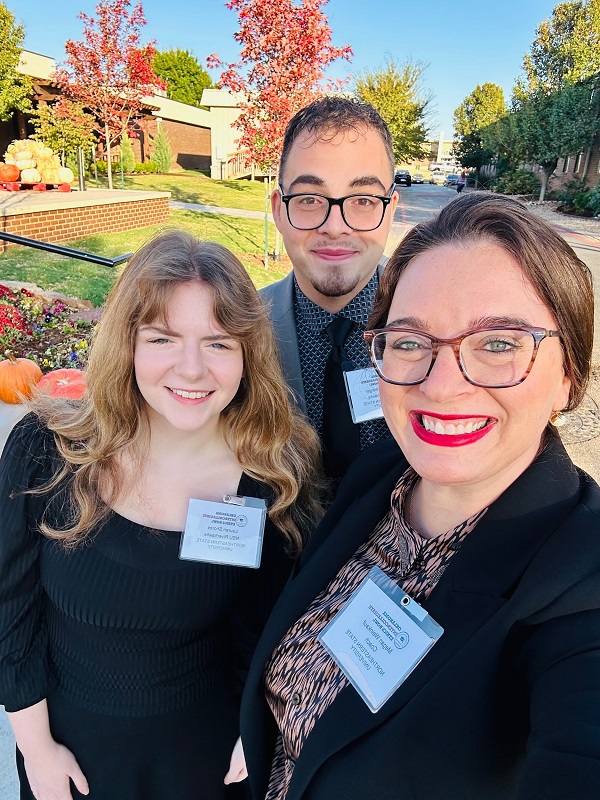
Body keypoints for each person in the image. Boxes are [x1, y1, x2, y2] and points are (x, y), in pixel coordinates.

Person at [238, 193, 600, 799]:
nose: (443, 384)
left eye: (500, 343)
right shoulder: (378, 477)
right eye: (409, 342)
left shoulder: (578, 587)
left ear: (569, 375)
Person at [0, 230, 321, 800]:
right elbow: (9, 607)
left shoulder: (267, 478)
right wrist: (36, 750)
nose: (192, 369)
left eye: (220, 343)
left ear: (249, 355)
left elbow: (260, 629)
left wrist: (256, 728)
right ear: (128, 344)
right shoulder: (47, 451)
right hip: (69, 756)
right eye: (164, 338)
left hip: (202, 762)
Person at [262, 97, 399, 485]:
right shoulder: (236, 327)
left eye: (363, 200)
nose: (335, 226)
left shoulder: (441, 326)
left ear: (389, 210)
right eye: (309, 199)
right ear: (278, 208)